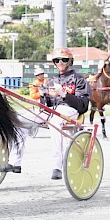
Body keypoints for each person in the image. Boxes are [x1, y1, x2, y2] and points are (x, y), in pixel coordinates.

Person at [41, 47, 91, 180]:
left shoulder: (79, 79)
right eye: (56, 60)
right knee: (22, 119)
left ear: (70, 61)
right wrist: (43, 96)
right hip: (54, 110)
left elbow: (83, 105)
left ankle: (58, 165)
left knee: (54, 121)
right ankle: (15, 162)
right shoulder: (52, 80)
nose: (60, 62)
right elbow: (48, 104)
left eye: (63, 59)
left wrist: (64, 94)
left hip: (70, 110)